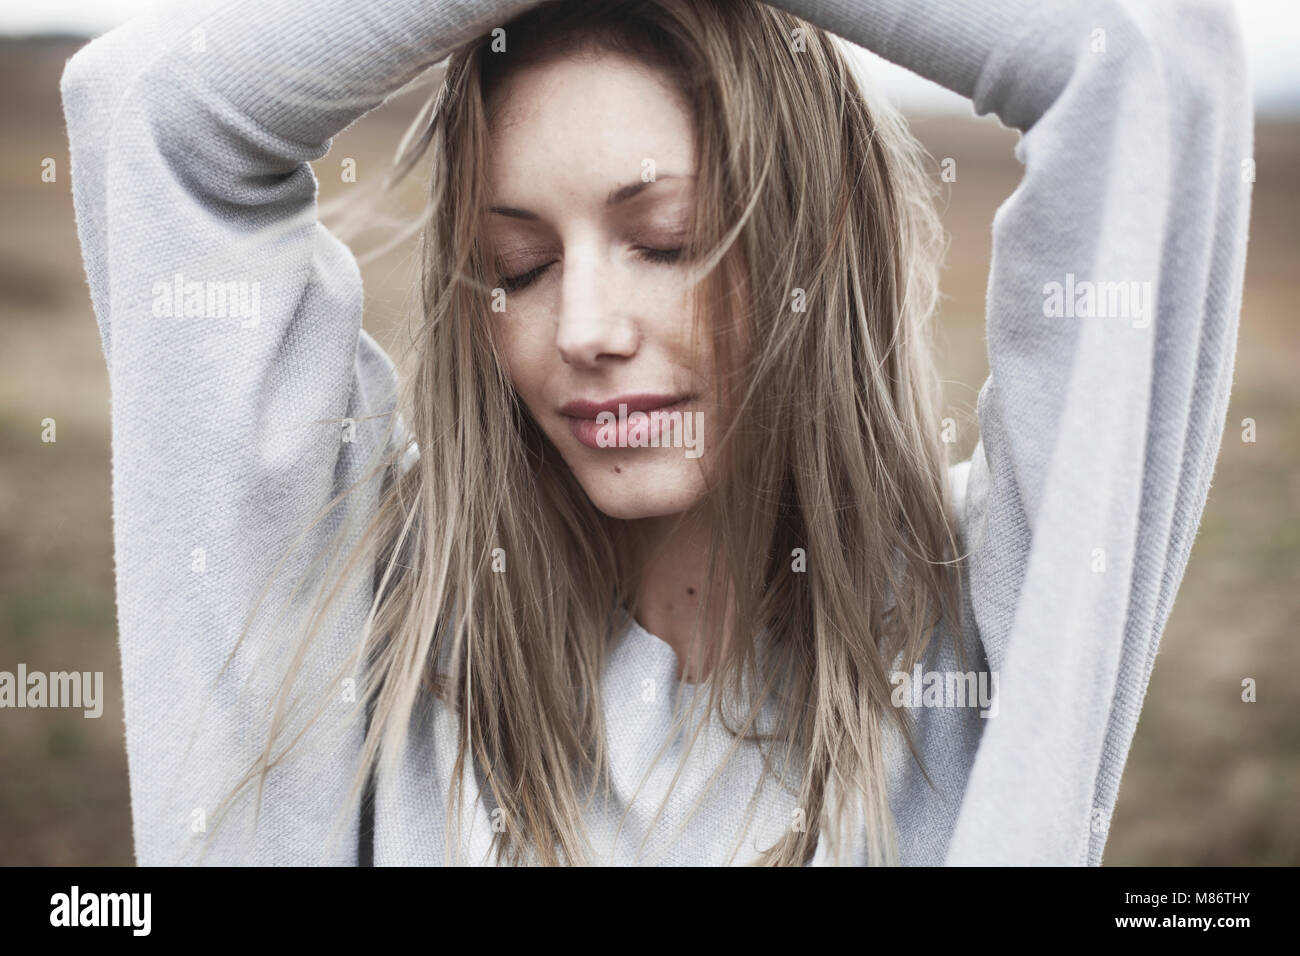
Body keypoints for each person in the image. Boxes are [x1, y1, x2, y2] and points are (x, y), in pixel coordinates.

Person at [60, 0, 1252, 865]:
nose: (580, 325)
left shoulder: (984, 636)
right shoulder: (377, 627)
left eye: (667, 239)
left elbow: (1144, 59)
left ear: (812, 244)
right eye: (517, 266)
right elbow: (151, 109)